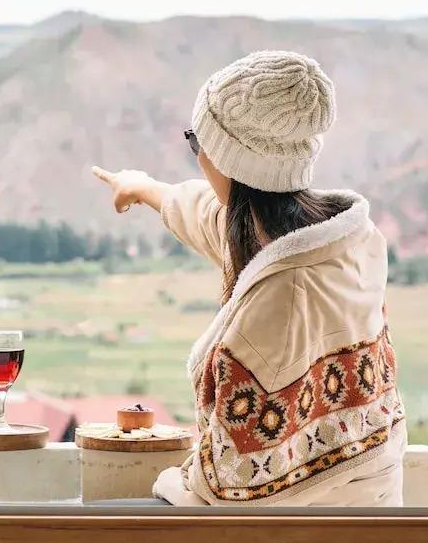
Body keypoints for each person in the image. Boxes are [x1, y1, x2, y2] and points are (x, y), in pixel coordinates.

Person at [92, 50, 406, 506]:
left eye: (197, 142)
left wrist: (167, 483)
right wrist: (142, 188)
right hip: (372, 511)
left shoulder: (279, 300)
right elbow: (211, 215)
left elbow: (230, 491)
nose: (198, 158)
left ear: (225, 159)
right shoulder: (351, 241)